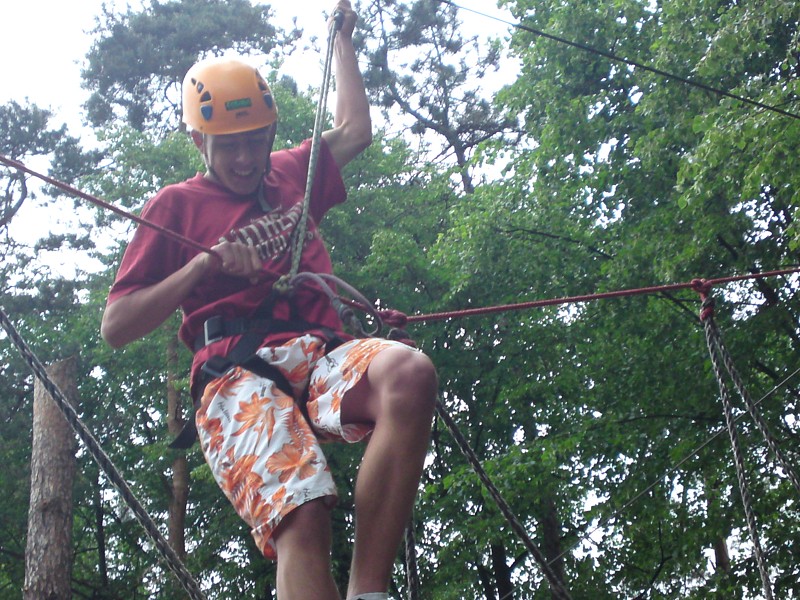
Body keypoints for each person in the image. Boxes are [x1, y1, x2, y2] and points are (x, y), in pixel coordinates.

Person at [100, 2, 437, 599]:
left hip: (319, 354)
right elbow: (117, 324)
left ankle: (369, 591)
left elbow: (354, 130)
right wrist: (202, 265)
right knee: (301, 508)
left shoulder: (291, 174)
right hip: (235, 374)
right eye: (228, 146)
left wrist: (344, 40)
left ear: (271, 136)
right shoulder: (176, 206)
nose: (243, 159)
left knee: (409, 373)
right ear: (198, 140)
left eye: (255, 142)